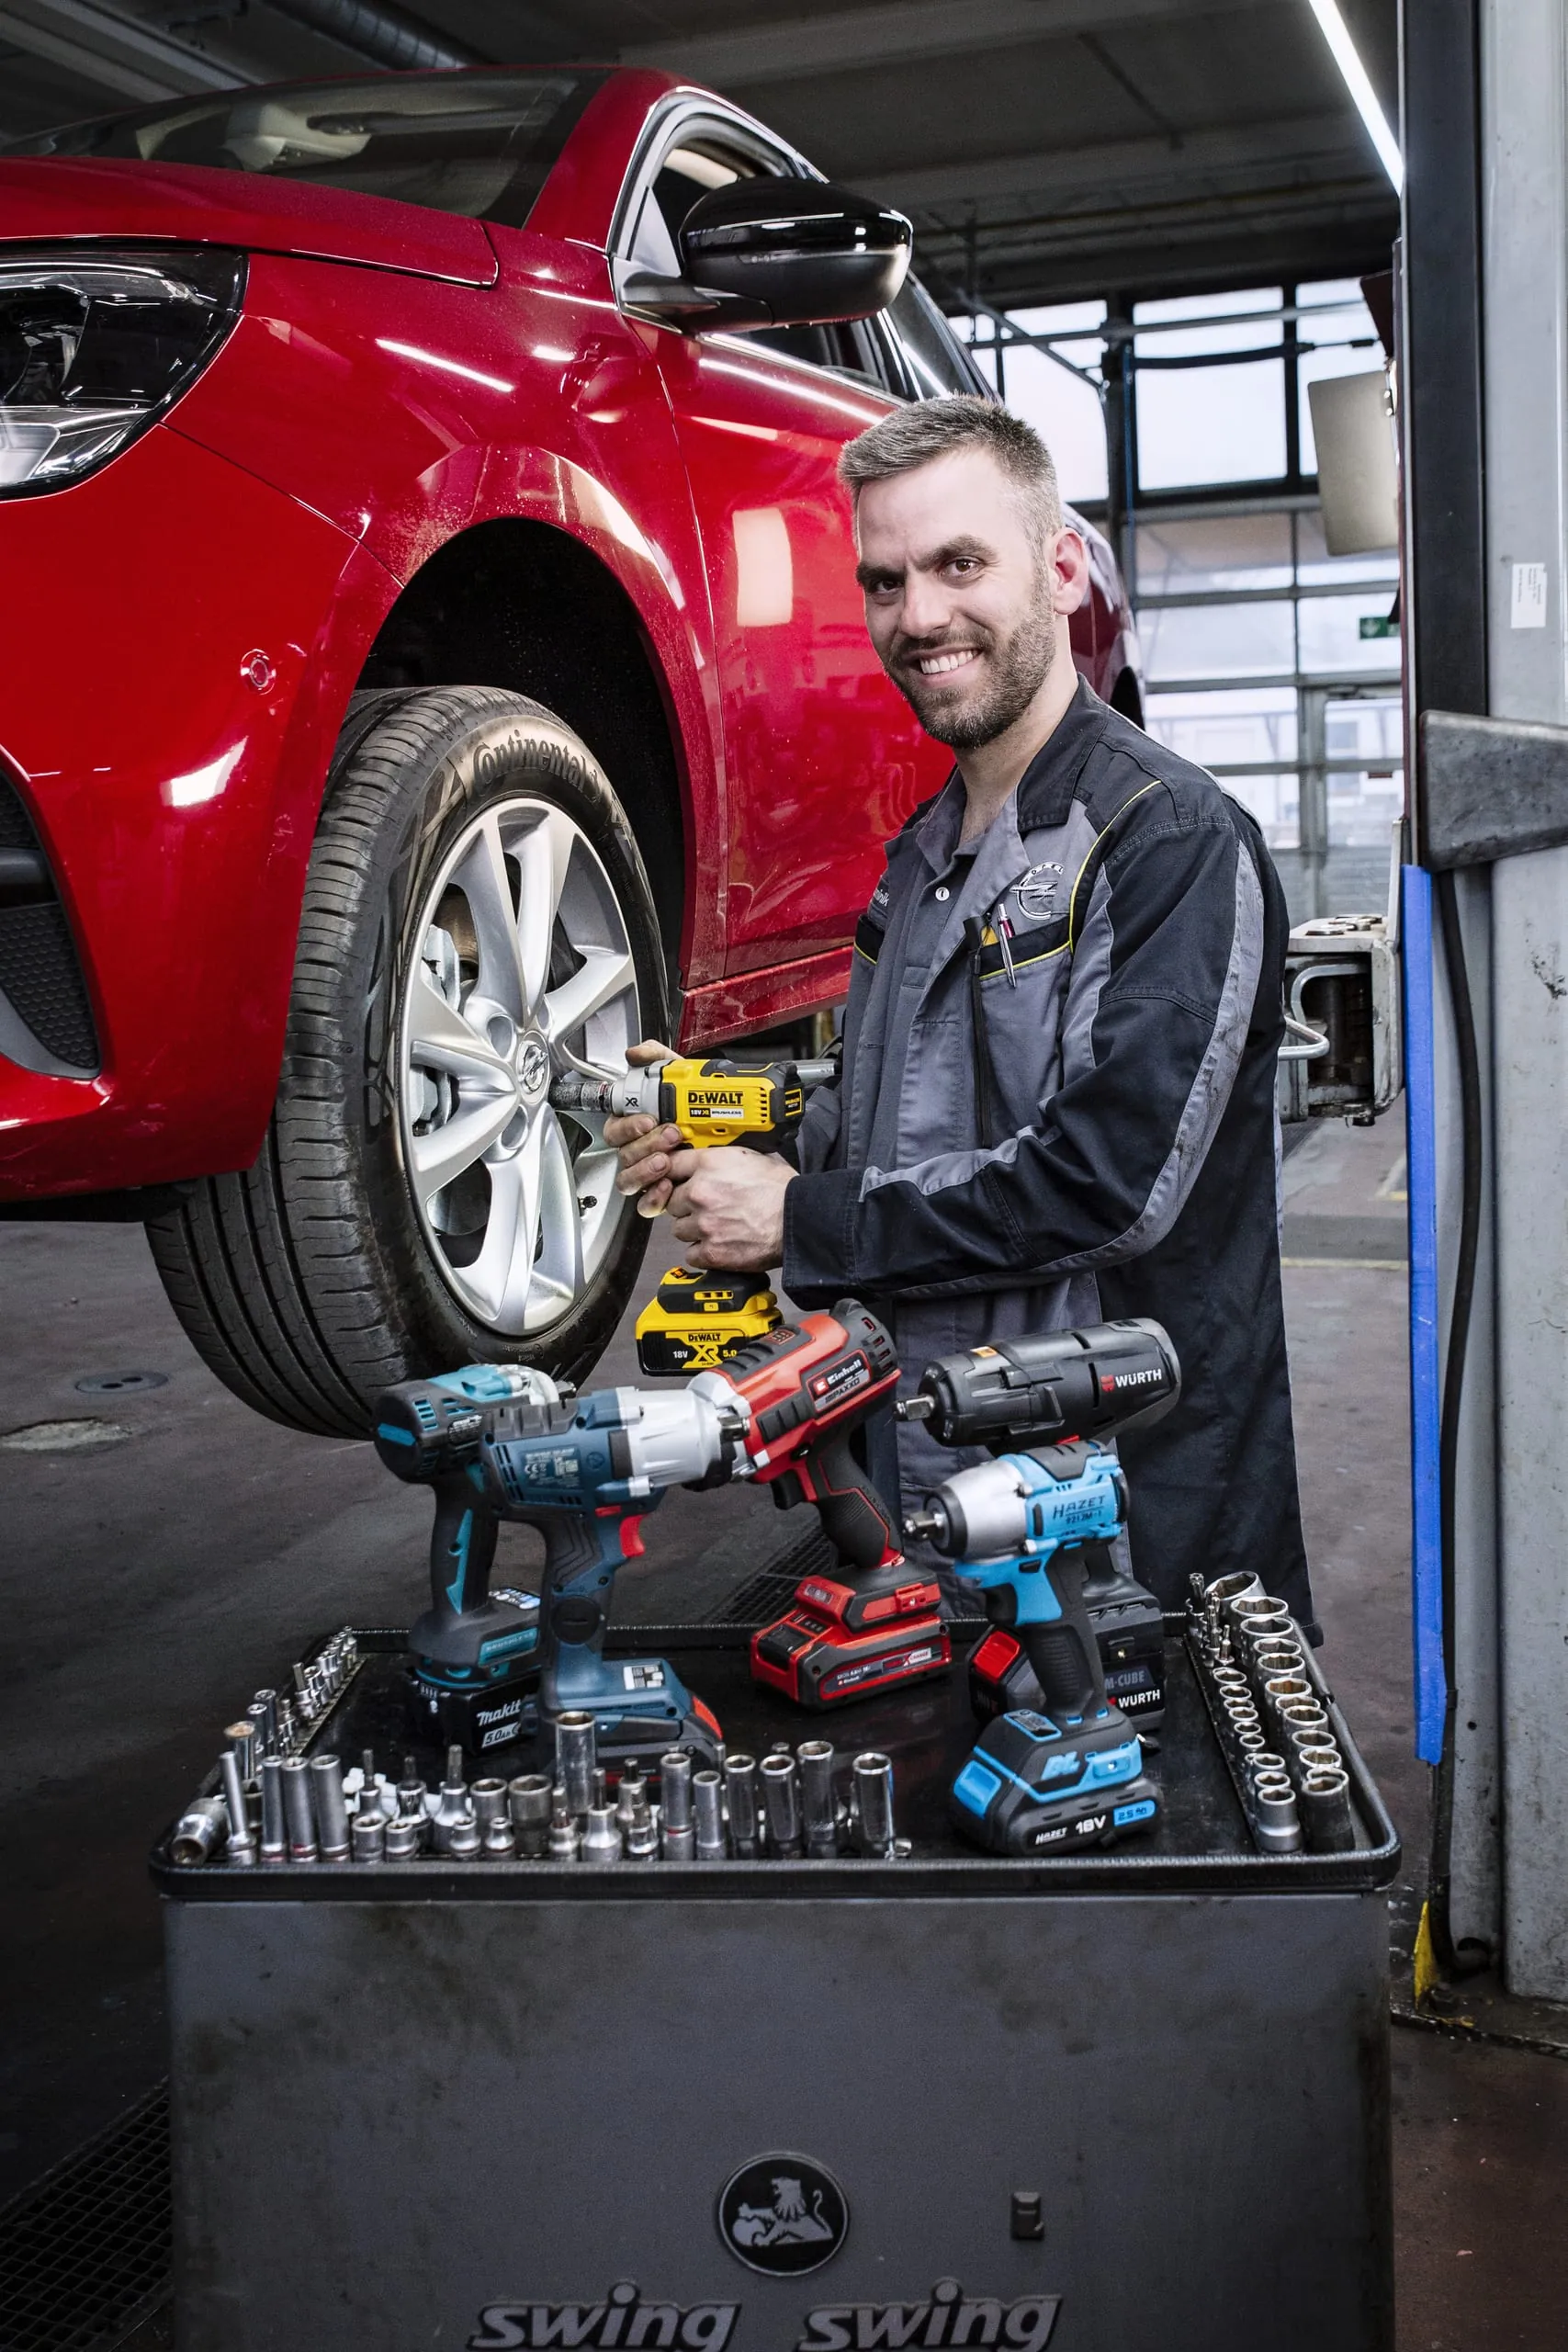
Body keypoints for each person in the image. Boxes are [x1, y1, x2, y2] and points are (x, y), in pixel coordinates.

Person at [608, 395, 1314, 1631]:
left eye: (957, 565)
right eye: (884, 582)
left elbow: (1110, 1183)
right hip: (933, 1494)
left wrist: (802, 1215)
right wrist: (738, 1149)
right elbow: (894, 1125)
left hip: (1126, 1525)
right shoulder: (920, 858)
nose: (918, 618)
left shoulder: (1166, 838)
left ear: (1054, 567)